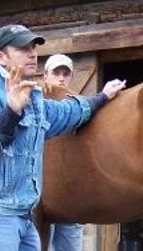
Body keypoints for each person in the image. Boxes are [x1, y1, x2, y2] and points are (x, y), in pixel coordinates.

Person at [0, 24, 126, 251]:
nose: (32, 54)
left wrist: (102, 97)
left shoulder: (31, 95)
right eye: (23, 48)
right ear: (0, 57)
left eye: (33, 47)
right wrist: (10, 113)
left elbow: (65, 113)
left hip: (22, 215)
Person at [43, 53, 85, 251]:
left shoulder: (78, 106)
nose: (61, 78)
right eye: (56, 73)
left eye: (65, 74)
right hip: (42, 195)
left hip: (69, 194)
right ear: (45, 75)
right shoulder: (36, 102)